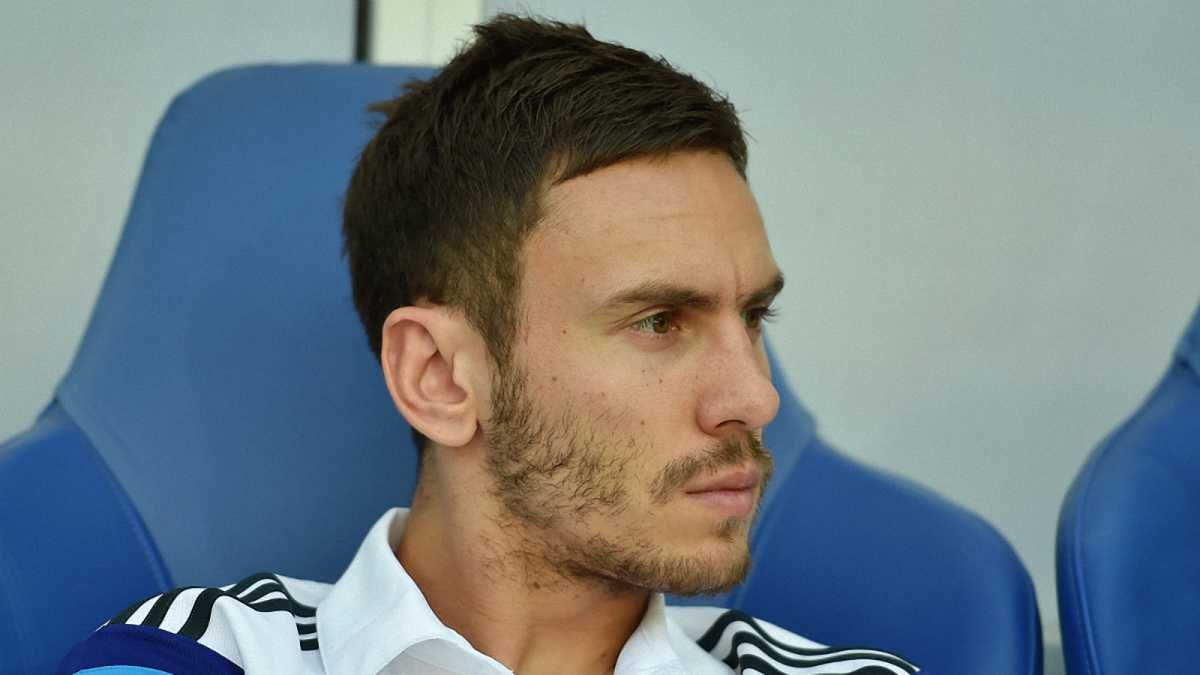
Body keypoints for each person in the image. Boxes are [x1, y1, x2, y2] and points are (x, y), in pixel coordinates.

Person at [60, 14, 917, 675]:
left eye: (755, 317)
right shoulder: (204, 654)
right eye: (659, 321)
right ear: (438, 375)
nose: (756, 397)